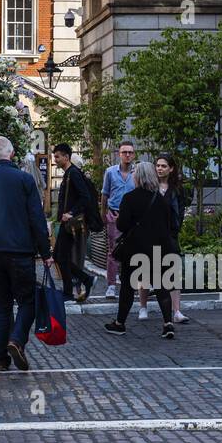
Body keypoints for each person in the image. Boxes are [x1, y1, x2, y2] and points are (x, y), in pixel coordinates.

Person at [0, 136, 52, 372]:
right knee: (28, 301)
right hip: (22, 251)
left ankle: (0, 358)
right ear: (12, 154)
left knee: (0, 305)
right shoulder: (25, 180)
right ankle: (17, 339)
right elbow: (37, 218)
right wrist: (45, 252)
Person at [105, 160, 178, 339]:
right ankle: (168, 323)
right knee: (161, 286)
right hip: (158, 249)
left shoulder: (129, 198)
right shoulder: (161, 200)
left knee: (128, 288)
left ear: (137, 177)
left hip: (134, 250)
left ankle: (120, 323)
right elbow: (169, 226)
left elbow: (121, 225)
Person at [137, 153, 190, 324]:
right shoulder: (149, 187)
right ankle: (143, 306)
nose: (159, 168)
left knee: (172, 273)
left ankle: (177, 311)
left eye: (163, 166)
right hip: (149, 235)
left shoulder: (176, 190)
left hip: (169, 236)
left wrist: (174, 231)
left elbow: (179, 212)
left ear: (171, 169)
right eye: (157, 165)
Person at [51, 142, 98, 303]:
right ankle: (84, 281)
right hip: (67, 222)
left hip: (71, 223)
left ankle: (71, 290)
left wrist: (70, 213)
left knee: (60, 257)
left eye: (57, 156)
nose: (55, 159)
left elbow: (85, 197)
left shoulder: (74, 173)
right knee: (58, 256)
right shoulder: (68, 173)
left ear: (66, 156)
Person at [99, 141, 137, 299]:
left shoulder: (137, 173)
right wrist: (102, 215)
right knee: (113, 251)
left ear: (133, 154)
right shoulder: (110, 172)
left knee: (133, 251)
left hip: (132, 217)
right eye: (124, 152)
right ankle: (111, 285)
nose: (127, 155)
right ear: (119, 154)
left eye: (130, 152)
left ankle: (131, 282)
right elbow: (104, 194)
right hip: (113, 215)